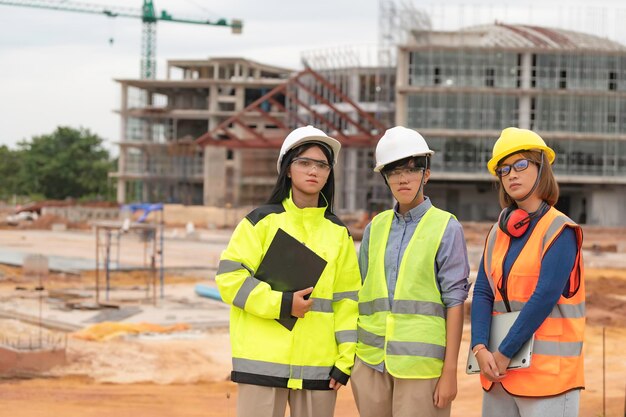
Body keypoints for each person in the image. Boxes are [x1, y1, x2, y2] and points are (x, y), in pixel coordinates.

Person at [215, 125, 361, 417]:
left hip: (318, 367)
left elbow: (348, 301)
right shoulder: (260, 223)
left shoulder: (337, 233)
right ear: (287, 170)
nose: (314, 171)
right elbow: (230, 280)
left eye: (322, 165)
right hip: (261, 362)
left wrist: (345, 361)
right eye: (304, 162)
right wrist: (283, 304)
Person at [351, 126, 470, 417]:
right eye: (393, 172)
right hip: (370, 362)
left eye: (411, 169)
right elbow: (360, 291)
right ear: (385, 178)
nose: (403, 178)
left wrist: (449, 372)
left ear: (425, 174)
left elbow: (455, 302)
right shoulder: (374, 228)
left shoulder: (446, 227)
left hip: (421, 369)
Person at [470, 127, 585, 417]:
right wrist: (479, 348)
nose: (512, 174)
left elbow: (544, 296)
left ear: (541, 167)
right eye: (504, 169)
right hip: (500, 376)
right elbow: (483, 291)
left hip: (548, 380)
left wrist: (504, 352)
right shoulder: (498, 232)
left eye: (521, 164)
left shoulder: (560, 230)